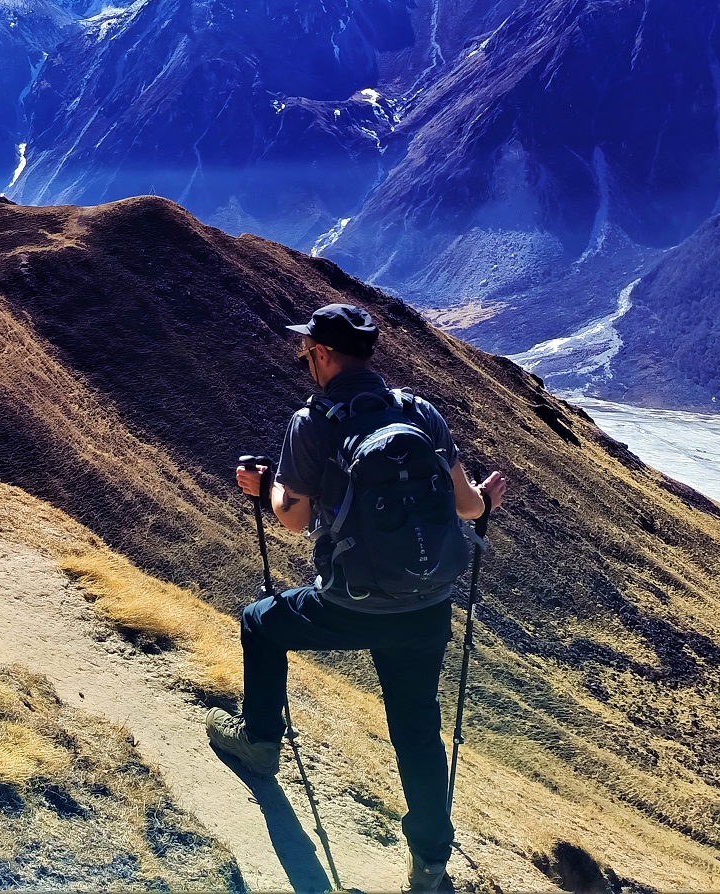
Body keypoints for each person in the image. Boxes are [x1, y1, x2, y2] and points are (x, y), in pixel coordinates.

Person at [204, 303, 507, 892]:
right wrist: (488, 501)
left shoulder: (312, 421)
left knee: (260, 623)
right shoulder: (420, 413)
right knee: (417, 728)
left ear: (320, 355)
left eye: (305, 352)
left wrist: (264, 487)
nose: (303, 361)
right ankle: (430, 866)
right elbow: (467, 505)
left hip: (349, 603)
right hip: (425, 606)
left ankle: (261, 744)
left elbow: (292, 518)